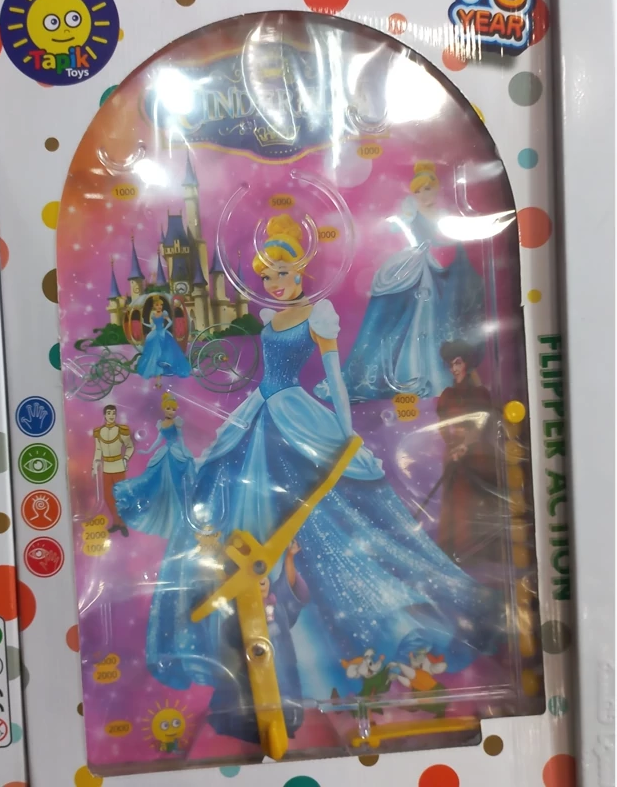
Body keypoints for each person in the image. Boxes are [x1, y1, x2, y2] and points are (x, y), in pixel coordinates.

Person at [138, 214, 500, 743]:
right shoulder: (268, 319)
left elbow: (333, 375)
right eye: (268, 276)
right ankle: (248, 667)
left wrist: (344, 432)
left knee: (322, 518)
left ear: (301, 271)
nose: (275, 283)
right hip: (259, 413)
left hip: (294, 416)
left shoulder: (318, 316)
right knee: (230, 509)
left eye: (283, 273)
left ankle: (346, 653)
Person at [316, 160, 485, 402]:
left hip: (446, 272)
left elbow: (453, 241)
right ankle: (411, 372)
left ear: (436, 188)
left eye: (428, 188)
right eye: (419, 190)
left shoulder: (445, 214)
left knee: (443, 320)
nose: (424, 194)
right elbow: (396, 230)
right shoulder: (412, 213)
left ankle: (440, 373)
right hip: (423, 269)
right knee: (416, 316)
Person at [206, 540, 309, 742]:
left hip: (282, 660)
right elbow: (229, 632)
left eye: (264, 580)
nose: (261, 583)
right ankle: (248, 722)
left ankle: (287, 721)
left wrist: (289, 557)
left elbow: (287, 584)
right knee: (247, 691)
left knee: (285, 689)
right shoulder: (239, 609)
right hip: (251, 662)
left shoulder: (277, 603)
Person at [435, 340, 500, 562]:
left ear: (466, 364)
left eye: (458, 363)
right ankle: (452, 548)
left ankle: (473, 548)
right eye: (450, 364)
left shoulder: (479, 393)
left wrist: (465, 445)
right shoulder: (447, 395)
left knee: (472, 498)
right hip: (453, 453)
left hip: (476, 453)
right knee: (453, 499)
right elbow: (442, 425)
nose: (454, 368)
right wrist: (452, 445)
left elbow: (482, 424)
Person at [113, 392, 195, 539]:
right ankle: (162, 511)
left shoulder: (177, 423)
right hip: (165, 453)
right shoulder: (161, 424)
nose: (171, 411)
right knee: (154, 479)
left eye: (173, 409)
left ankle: (177, 515)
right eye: (168, 408)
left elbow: (181, 439)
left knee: (177, 481)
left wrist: (185, 452)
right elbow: (158, 440)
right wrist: (147, 451)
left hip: (175, 452)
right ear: (164, 409)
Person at [91, 405, 134, 537]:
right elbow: (98, 450)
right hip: (106, 468)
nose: (111, 416)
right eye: (109, 413)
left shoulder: (121, 430)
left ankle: (123, 524)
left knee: (121, 497)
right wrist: (94, 466)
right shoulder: (99, 432)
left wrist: (125, 459)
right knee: (108, 497)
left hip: (119, 467)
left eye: (113, 413)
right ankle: (116, 522)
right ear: (104, 415)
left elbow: (130, 447)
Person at [135, 297, 192, 389]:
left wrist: (164, 329)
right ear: (154, 306)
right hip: (155, 333)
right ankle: (158, 379)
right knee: (154, 353)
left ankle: (163, 371)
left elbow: (170, 322)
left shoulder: (164, 313)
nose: (159, 307)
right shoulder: (153, 314)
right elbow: (151, 325)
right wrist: (143, 323)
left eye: (160, 305)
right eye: (157, 305)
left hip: (162, 332)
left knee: (164, 351)